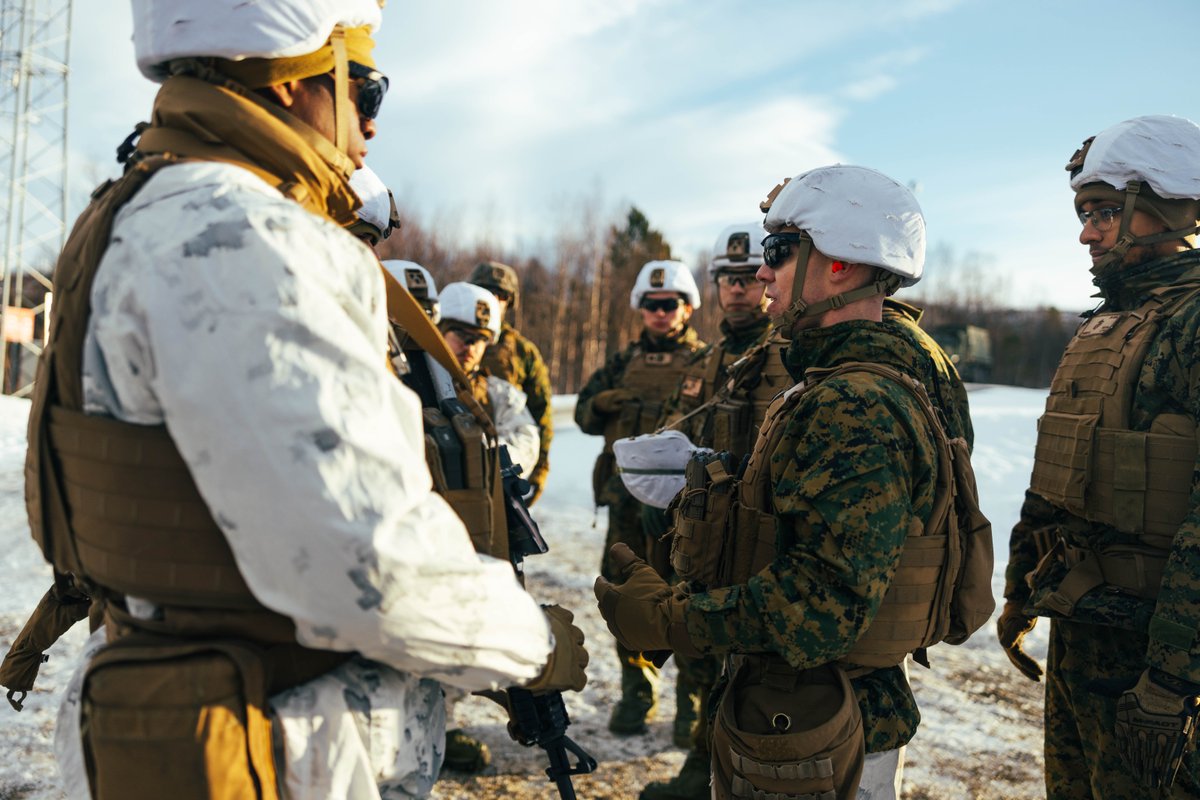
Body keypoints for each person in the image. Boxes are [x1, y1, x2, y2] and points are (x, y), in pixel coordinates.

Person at [21, 3, 587, 798]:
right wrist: (531, 646)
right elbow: (370, 569)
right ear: (290, 79)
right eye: (365, 89)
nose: (372, 122)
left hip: (201, 721)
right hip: (271, 747)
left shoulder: (140, 212)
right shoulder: (243, 235)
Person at [596, 165, 965, 799]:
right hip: (805, 715)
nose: (762, 274)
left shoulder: (855, 402)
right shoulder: (836, 382)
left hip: (822, 724)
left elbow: (822, 605)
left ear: (841, 264)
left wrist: (671, 620)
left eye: (778, 252)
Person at [999, 114, 1200, 797]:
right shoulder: (1104, 326)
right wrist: (1020, 587)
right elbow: (1060, 468)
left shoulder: (1191, 327)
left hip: (1159, 662)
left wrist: (1173, 679)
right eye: (1084, 215)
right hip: (1084, 628)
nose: (1087, 233)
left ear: (1167, 210)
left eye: (1106, 213)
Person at [639, 222, 775, 800]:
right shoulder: (707, 361)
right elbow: (673, 433)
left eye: (748, 277)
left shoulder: (791, 355)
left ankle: (725, 774)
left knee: (754, 673)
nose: (738, 288)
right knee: (700, 661)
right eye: (727, 278)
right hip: (706, 542)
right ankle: (704, 766)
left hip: (764, 545)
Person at [576, 259, 706, 735]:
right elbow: (583, 415)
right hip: (626, 502)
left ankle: (691, 702)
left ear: (687, 308)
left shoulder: (706, 362)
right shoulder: (619, 363)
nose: (660, 312)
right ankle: (638, 690)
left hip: (686, 504)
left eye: (669, 303)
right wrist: (601, 403)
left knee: (689, 596)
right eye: (652, 304)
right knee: (627, 595)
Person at [468, 261, 554, 504]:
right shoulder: (449, 336)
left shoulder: (523, 352)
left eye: (502, 295)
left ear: (510, 301)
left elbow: (541, 415)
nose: (494, 300)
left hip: (503, 463)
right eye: (486, 291)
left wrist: (539, 470)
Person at [438, 282, 541, 479]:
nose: (470, 347)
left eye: (479, 339)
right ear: (439, 331)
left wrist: (481, 455)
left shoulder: (499, 393)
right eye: (461, 334)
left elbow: (526, 444)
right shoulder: (415, 381)